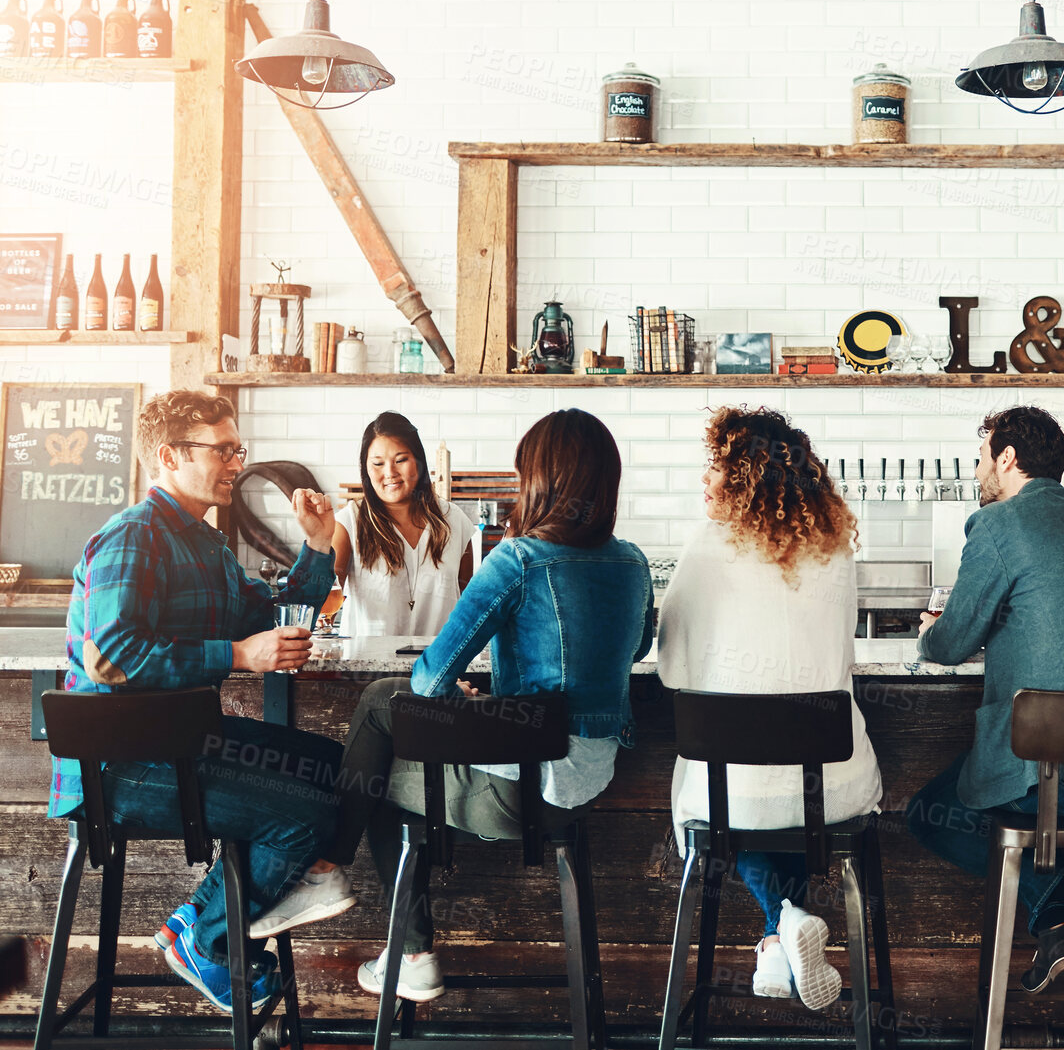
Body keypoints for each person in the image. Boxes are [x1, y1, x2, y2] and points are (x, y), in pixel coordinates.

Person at [256, 409, 653, 1002]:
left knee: (381, 731)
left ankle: (369, 910)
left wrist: (456, 697)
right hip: (585, 789)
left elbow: (429, 677)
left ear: (537, 480)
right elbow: (639, 646)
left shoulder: (517, 559)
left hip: (517, 791)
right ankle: (369, 913)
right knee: (388, 737)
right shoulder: (634, 563)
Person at [51, 389, 347, 1012]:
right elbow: (114, 655)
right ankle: (209, 944)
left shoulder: (205, 542)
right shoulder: (133, 535)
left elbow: (268, 612)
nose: (236, 461)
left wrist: (317, 546)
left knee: (335, 768)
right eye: (223, 450)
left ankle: (196, 918)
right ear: (169, 455)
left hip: (181, 745)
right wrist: (240, 656)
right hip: (119, 765)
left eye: (238, 448)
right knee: (298, 812)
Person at [905, 406, 1064, 994]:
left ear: (1006, 458)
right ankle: (1060, 921)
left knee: (929, 814)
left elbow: (951, 644)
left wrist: (931, 629)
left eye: (981, 458)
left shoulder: (999, 523)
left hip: (1061, 778)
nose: (978, 470)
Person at [658, 406, 882, 1011]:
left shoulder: (707, 547)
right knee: (777, 795)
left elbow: (673, 670)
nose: (704, 482)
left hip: (730, 789)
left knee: (740, 800)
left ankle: (783, 921)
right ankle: (783, 929)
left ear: (746, 479)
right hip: (831, 786)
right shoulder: (835, 549)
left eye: (717, 468)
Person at [331, 412, 474, 636]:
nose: (390, 473)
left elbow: (468, 606)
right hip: (366, 667)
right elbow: (323, 600)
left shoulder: (455, 522)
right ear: (366, 469)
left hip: (440, 666)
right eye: (378, 463)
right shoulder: (349, 523)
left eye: (400, 460)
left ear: (418, 460)